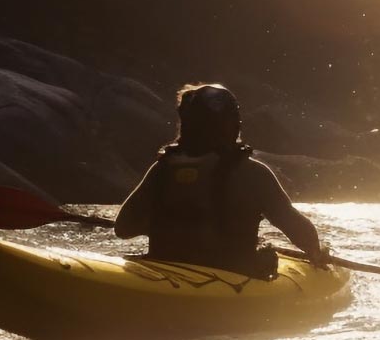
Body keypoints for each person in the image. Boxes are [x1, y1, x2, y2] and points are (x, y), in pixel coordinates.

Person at [114, 83, 331, 276]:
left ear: (187, 124)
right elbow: (297, 228)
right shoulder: (254, 173)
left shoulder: (163, 169)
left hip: (165, 271)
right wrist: (316, 251)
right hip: (229, 274)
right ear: (233, 124)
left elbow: (123, 228)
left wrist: (171, 226)